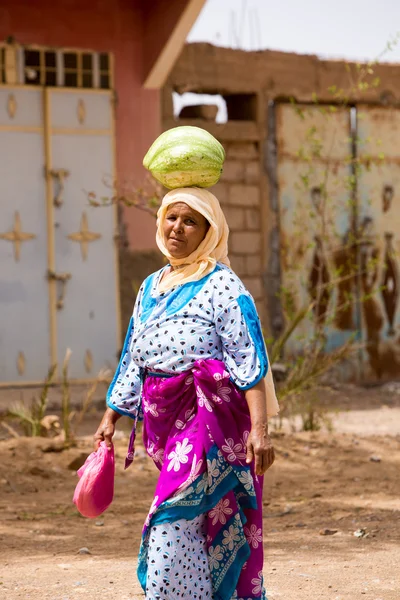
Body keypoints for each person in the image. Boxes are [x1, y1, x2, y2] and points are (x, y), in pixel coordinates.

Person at [94, 187, 279, 600]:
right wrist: (110, 420)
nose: (178, 227)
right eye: (171, 217)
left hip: (208, 417)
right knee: (199, 522)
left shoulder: (223, 285)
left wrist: (260, 430)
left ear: (209, 232)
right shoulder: (151, 285)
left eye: (191, 220)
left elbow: (249, 359)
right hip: (162, 422)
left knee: (171, 515)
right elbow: (133, 357)